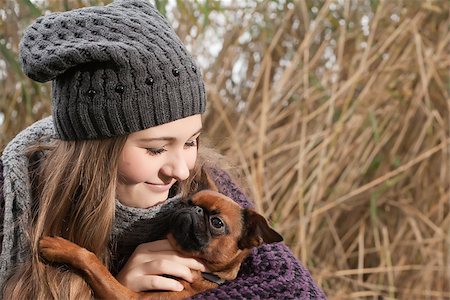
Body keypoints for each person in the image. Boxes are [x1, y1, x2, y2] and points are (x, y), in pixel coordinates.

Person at [0, 0, 326, 299]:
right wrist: (116, 287)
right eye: (156, 149)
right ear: (98, 151)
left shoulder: (209, 186)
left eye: (191, 142)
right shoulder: (15, 198)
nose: (181, 170)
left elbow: (295, 290)